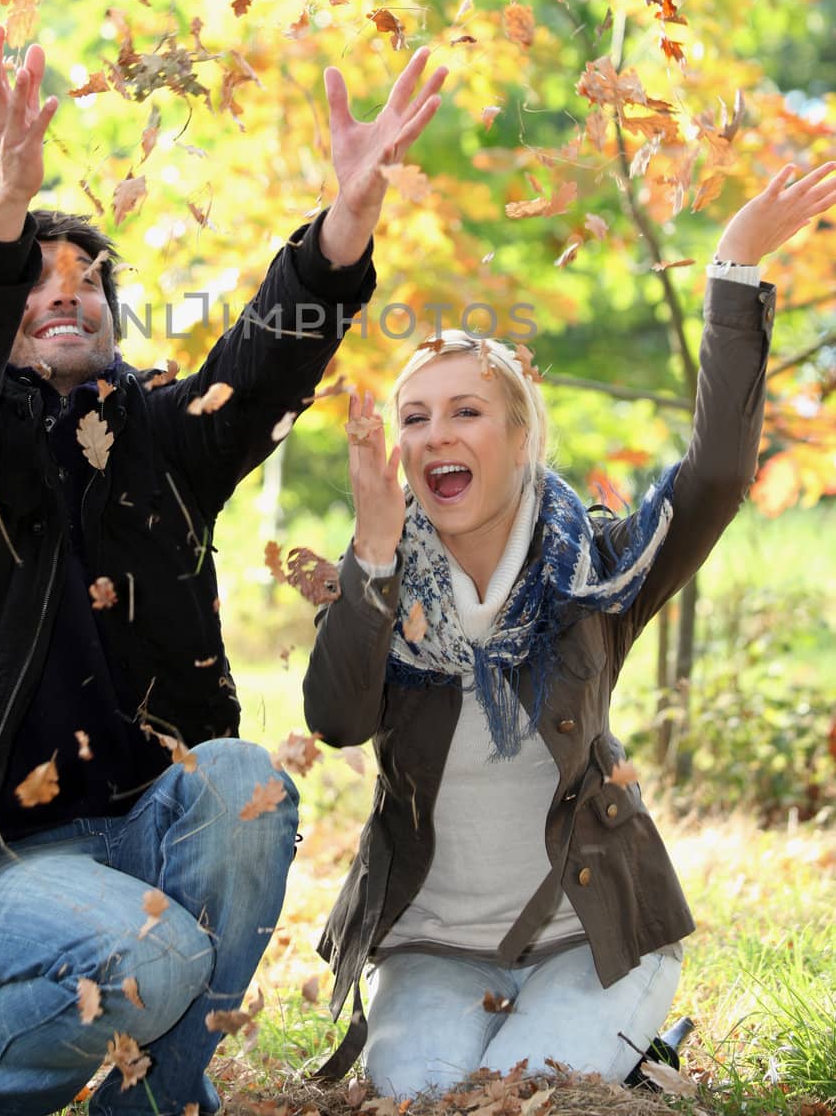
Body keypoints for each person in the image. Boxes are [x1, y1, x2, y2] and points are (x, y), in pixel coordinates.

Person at [0, 24, 445, 1116]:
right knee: (157, 958)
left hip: (140, 827)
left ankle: (156, 1102)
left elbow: (264, 361)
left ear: (110, 312)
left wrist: (347, 222)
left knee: (246, 784)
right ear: (1, 321)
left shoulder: (161, 438)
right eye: (32, 286)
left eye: (84, 283)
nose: (62, 296)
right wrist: (3, 205)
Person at [303, 161, 836, 1097]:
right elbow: (338, 721)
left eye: (466, 412)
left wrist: (735, 266)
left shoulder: (599, 571)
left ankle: (627, 1040)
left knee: (532, 1091)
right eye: (415, 418)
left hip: (588, 934)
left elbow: (711, 477)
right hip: (430, 944)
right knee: (421, 1098)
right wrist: (376, 553)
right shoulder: (376, 579)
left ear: (518, 438)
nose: (435, 437)